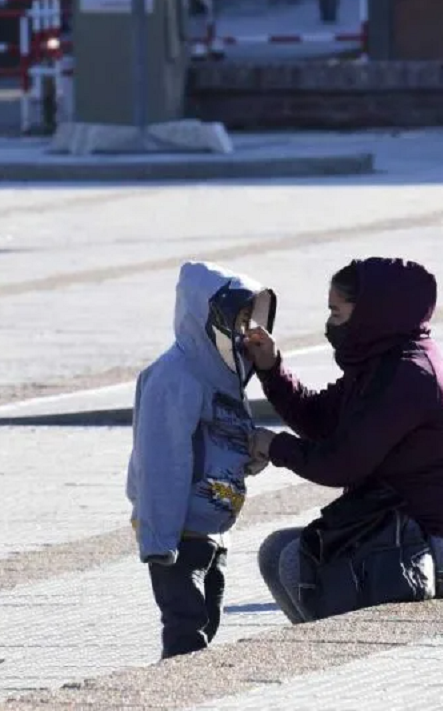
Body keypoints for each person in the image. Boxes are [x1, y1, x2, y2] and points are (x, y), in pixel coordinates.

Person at [246, 257, 443, 624]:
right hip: (403, 530)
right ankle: (321, 651)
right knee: (277, 551)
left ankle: (331, 659)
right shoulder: (380, 364)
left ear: (371, 313)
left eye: (337, 313)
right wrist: (271, 369)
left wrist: (273, 446)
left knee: (299, 562)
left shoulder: (409, 375)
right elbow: (319, 421)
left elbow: (341, 463)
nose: (330, 325)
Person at [127, 262, 278, 659]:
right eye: (238, 319)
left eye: (249, 319)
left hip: (214, 529)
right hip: (180, 533)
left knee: (208, 624)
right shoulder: (174, 377)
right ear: (209, 317)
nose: (244, 331)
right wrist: (159, 539)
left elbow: (222, 442)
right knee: (186, 629)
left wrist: (255, 451)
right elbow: (159, 462)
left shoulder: (224, 375)